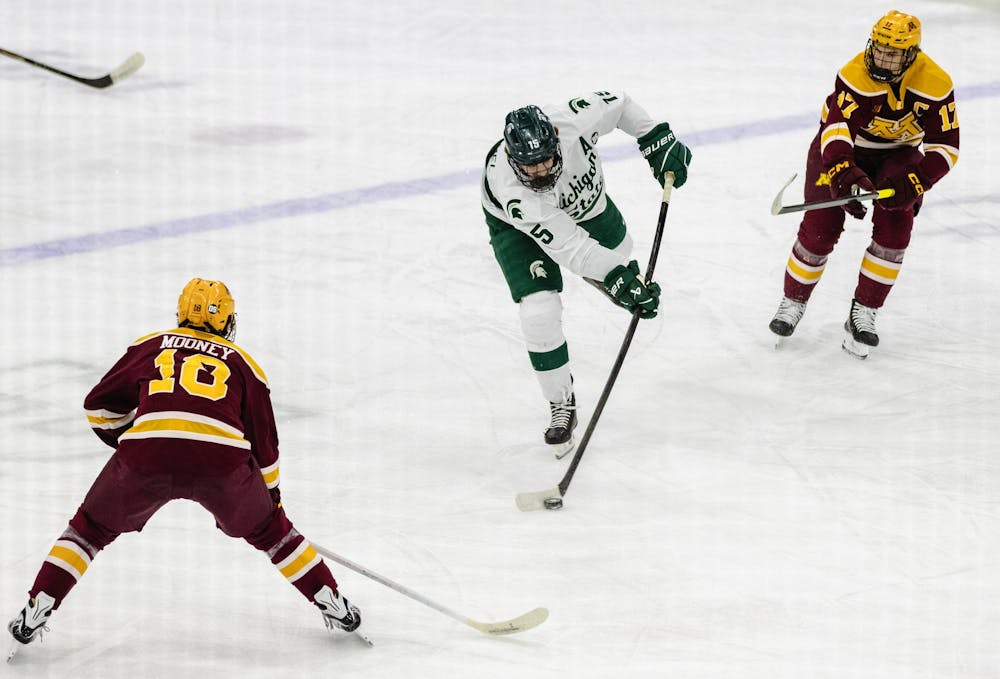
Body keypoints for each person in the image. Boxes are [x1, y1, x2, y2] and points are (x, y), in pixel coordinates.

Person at [7, 278, 361, 656]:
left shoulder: (150, 345)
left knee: (89, 529)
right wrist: (270, 498)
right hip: (221, 460)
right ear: (227, 321)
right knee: (273, 534)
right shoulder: (245, 364)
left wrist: (135, 440)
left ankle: (39, 604)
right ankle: (331, 601)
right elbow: (265, 446)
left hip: (146, 454)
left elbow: (98, 406)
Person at [481, 91, 692, 456]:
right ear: (515, 163)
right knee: (539, 311)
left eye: (546, 161)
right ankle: (561, 403)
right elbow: (571, 247)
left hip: (587, 205)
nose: (541, 172)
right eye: (529, 167)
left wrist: (654, 135)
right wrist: (615, 277)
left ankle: (615, 277)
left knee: (620, 251)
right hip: (519, 230)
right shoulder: (516, 195)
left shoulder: (573, 120)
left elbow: (621, 104)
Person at [768, 10, 959, 359]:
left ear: (912, 54)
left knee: (895, 230)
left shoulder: (936, 83)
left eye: (893, 52)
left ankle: (865, 311)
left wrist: (916, 179)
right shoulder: (855, 73)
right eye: (879, 48)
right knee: (819, 229)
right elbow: (838, 130)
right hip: (844, 149)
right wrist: (842, 171)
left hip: (900, 154)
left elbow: (946, 147)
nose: (882, 57)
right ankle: (792, 300)